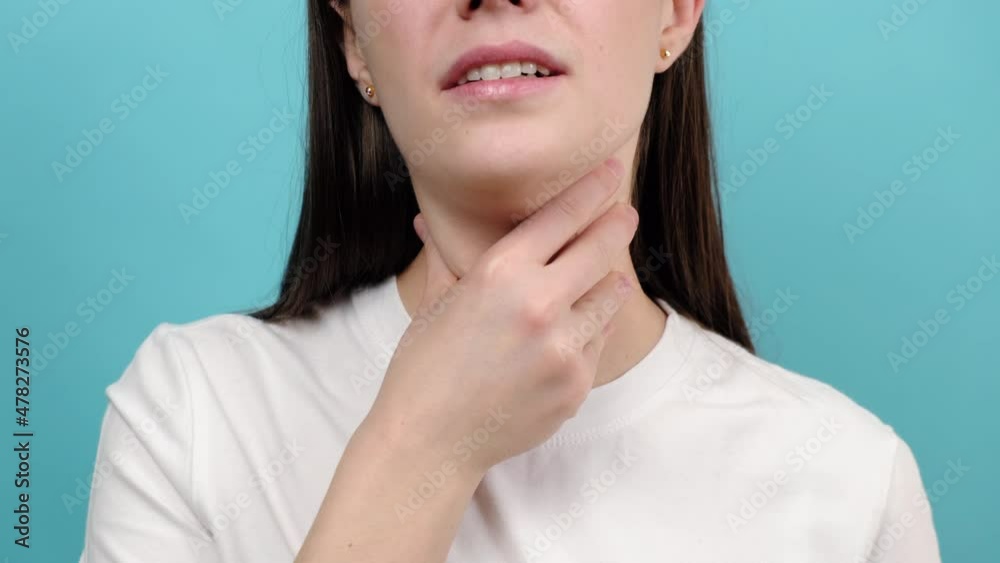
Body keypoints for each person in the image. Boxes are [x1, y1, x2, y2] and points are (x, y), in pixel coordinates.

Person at [79, 0, 942, 561]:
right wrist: (422, 446)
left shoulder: (851, 485)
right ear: (351, 38)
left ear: (677, 11)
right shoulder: (192, 415)